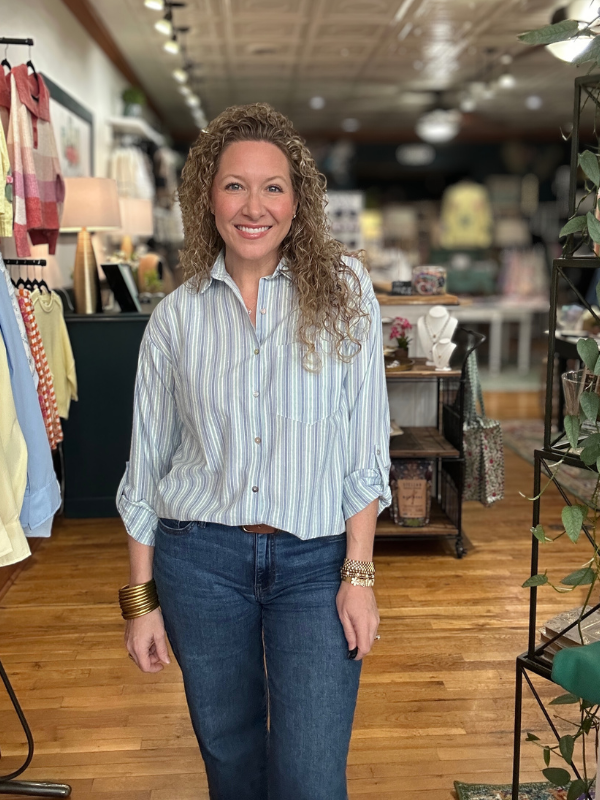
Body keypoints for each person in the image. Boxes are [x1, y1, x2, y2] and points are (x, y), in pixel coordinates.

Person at [116, 102, 391, 800]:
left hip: (314, 561)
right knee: (230, 766)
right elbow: (146, 468)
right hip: (200, 563)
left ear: (299, 203)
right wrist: (140, 600)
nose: (253, 206)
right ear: (207, 197)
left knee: (312, 777)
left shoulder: (347, 296)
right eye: (234, 185)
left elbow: (364, 445)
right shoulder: (175, 320)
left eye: (273, 187)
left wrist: (359, 575)